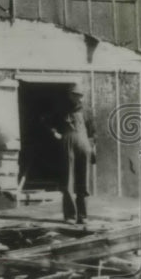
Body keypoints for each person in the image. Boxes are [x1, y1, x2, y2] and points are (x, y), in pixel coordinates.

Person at [49, 87, 97, 224]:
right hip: (67, 144)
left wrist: (91, 146)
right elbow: (46, 121)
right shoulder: (60, 110)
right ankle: (70, 215)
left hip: (83, 145)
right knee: (67, 180)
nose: (79, 98)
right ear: (70, 95)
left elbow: (93, 132)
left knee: (84, 181)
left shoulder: (87, 111)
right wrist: (55, 133)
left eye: (81, 95)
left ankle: (83, 216)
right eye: (76, 95)